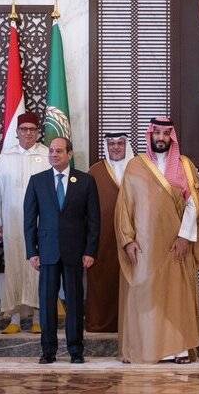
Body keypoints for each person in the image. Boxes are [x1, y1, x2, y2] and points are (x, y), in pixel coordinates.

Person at [114, 117, 199, 364]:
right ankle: (146, 347)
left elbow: (193, 204)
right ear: (150, 135)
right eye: (157, 133)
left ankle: (179, 350)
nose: (162, 138)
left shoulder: (185, 166)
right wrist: (127, 240)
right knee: (146, 295)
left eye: (167, 134)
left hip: (176, 245)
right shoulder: (135, 166)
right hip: (144, 247)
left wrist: (185, 237)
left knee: (176, 296)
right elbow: (124, 207)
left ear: (172, 137)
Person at [24, 136, 100, 364]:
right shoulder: (37, 181)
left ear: (70, 154)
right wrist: (32, 252)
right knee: (47, 303)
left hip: (75, 252)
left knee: (75, 302)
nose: (54, 155)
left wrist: (90, 251)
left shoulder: (85, 181)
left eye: (59, 151)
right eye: (51, 151)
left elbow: (94, 220)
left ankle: (76, 351)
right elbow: (29, 220)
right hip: (46, 252)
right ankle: (48, 351)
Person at [0, 112, 50, 333]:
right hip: (12, 222)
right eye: (24, 129)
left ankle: (38, 318)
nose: (28, 133)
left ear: (38, 132)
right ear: (17, 132)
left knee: (38, 267)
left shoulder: (46, 155)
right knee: (13, 266)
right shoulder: (6, 157)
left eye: (32, 129)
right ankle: (14, 319)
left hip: (42, 222)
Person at [86, 130, 132, 333]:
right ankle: (100, 323)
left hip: (132, 236)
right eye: (111, 143)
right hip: (102, 236)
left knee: (130, 278)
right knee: (102, 278)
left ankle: (131, 324)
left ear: (126, 146)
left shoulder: (138, 169)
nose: (115, 147)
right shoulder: (95, 171)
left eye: (120, 144)